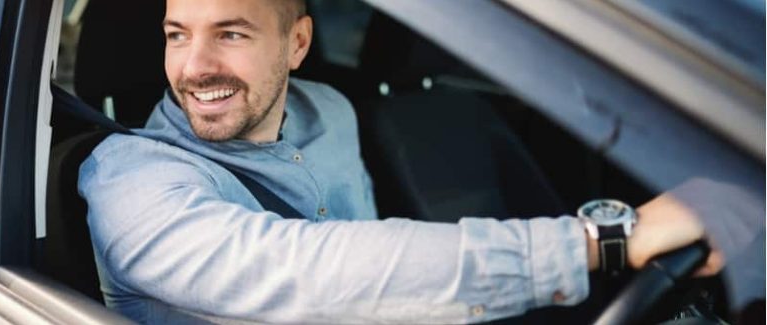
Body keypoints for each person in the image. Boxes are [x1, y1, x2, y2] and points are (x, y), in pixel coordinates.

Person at [78, 0, 722, 323]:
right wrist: (601, 240)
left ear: (298, 42)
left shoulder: (327, 109)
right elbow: (308, 271)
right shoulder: (131, 179)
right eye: (176, 34)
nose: (193, 67)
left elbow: (371, 255)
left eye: (231, 33)